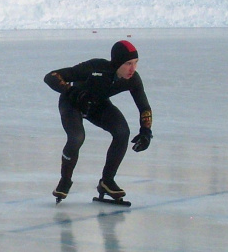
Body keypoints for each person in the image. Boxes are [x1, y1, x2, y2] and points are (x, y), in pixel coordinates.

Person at [44, 40, 152, 201]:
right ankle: (65, 180)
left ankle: (107, 181)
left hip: (97, 105)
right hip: (72, 103)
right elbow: (51, 77)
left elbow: (144, 107)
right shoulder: (95, 67)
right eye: (128, 63)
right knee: (76, 137)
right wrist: (72, 92)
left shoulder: (133, 79)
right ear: (117, 63)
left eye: (135, 63)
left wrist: (146, 131)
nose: (133, 69)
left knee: (122, 132)